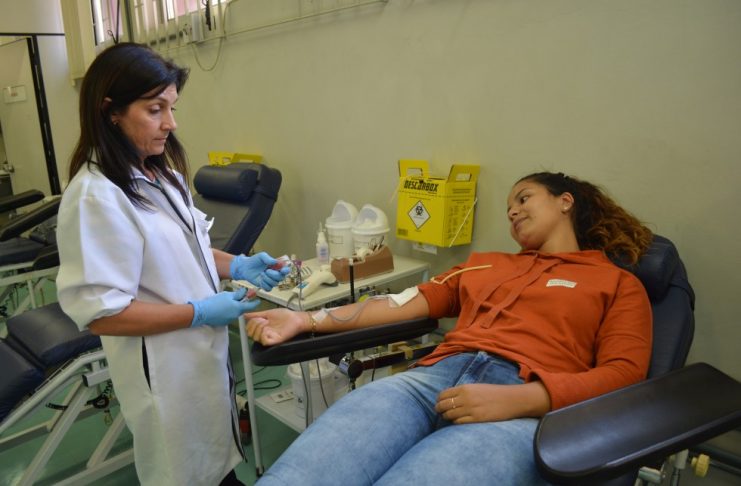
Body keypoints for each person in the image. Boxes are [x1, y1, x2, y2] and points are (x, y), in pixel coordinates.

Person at [246, 171, 654, 485]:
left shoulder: (617, 283)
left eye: (524, 198)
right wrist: (305, 319)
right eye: (508, 208)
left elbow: (625, 374)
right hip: (426, 383)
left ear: (565, 202)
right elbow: (401, 302)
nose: (513, 212)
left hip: (522, 407)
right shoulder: (487, 264)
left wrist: (525, 399)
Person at [55, 42, 289, 486]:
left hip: (201, 361)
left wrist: (237, 265)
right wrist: (198, 312)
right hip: (164, 371)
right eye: (155, 109)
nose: (171, 123)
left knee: (216, 464)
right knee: (182, 470)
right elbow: (104, 314)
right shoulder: (96, 197)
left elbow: (188, 249)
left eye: (172, 107)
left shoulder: (160, 175)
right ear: (111, 111)